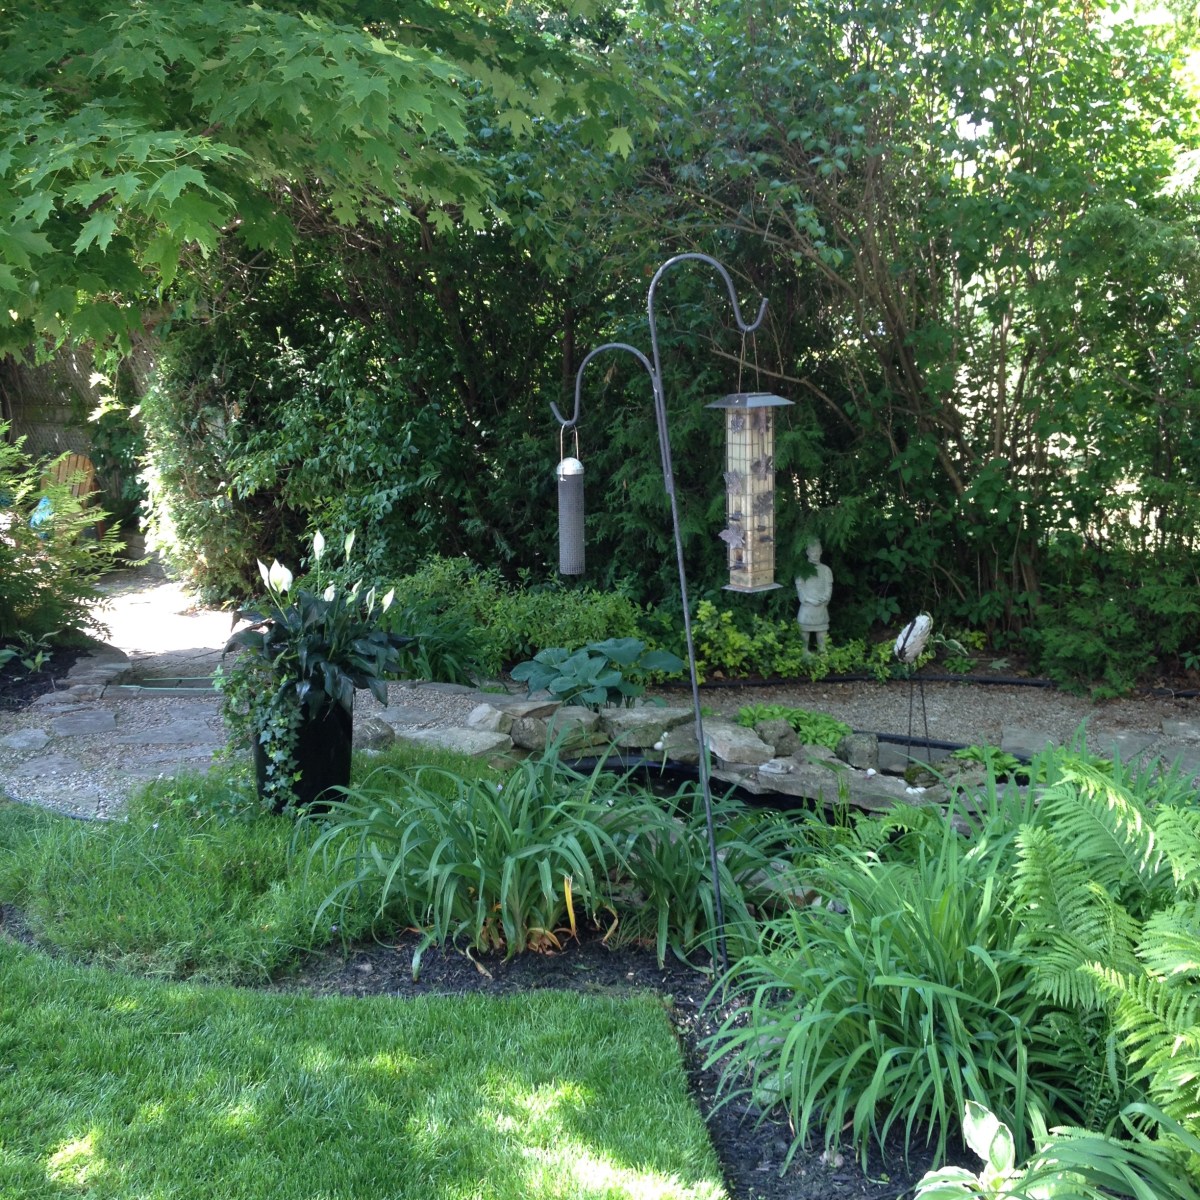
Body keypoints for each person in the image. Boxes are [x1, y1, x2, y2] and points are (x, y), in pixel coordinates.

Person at [795, 539, 833, 653]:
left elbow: (829, 586)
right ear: (807, 552)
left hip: (821, 606)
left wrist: (825, 597)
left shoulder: (826, 570)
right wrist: (810, 600)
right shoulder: (801, 570)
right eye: (812, 551)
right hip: (807, 606)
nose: (815, 554)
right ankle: (804, 651)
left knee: (822, 630)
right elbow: (800, 589)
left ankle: (822, 650)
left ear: (821, 551)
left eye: (817, 551)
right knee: (804, 630)